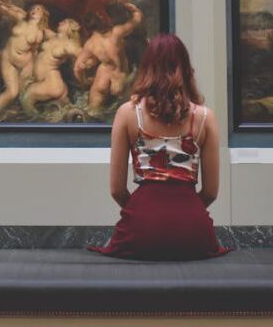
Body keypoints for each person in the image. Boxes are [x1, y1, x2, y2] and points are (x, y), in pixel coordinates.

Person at [88, 34, 234, 261]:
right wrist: (183, 213)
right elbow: (211, 192)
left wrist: (143, 214)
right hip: (193, 231)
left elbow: (116, 190)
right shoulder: (206, 118)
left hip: (140, 229)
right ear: (186, 68)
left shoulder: (127, 113)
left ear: (146, 68)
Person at [0, 0, 50, 114]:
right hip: (8, 58)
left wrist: (33, 70)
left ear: (43, 15)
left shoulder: (39, 34)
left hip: (25, 63)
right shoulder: (21, 17)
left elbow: (35, 52)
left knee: (20, 95)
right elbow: (6, 8)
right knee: (11, 92)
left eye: (38, 9)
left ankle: (15, 117)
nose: (34, 10)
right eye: (33, 8)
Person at [74, 1, 143, 112]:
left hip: (102, 78)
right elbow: (137, 19)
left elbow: (77, 68)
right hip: (119, 80)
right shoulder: (116, 32)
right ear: (102, 20)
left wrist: (85, 82)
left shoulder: (90, 44)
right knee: (127, 113)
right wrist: (133, 9)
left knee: (92, 112)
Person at [21, 18, 81, 115]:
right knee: (69, 113)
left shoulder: (68, 45)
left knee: (27, 98)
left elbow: (82, 54)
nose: (60, 22)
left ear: (70, 28)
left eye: (65, 22)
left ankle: (35, 127)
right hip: (54, 84)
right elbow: (39, 25)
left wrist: (83, 64)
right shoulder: (53, 36)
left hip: (51, 83)